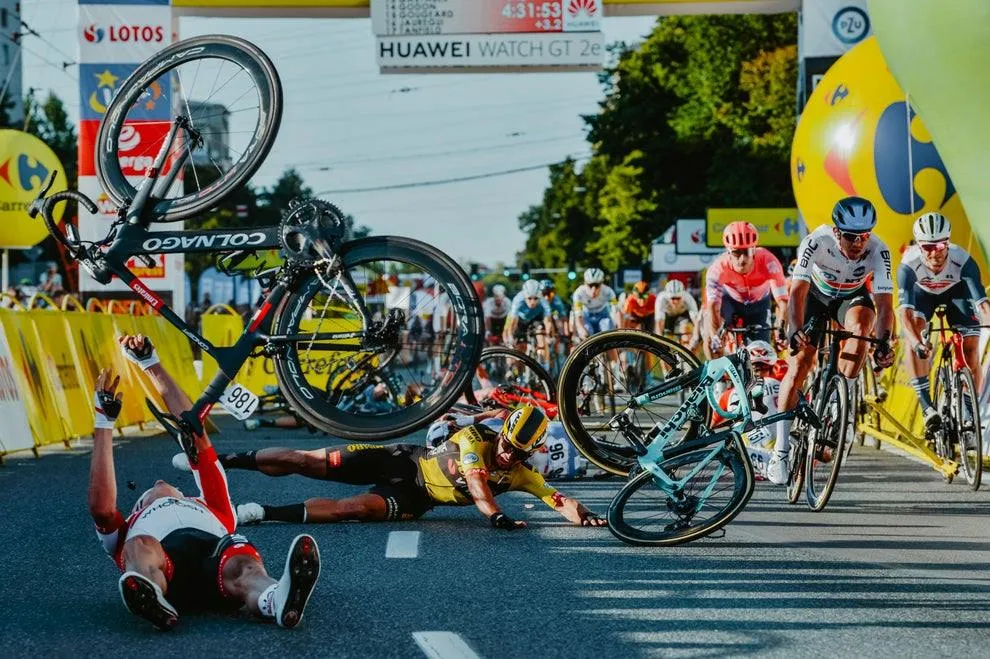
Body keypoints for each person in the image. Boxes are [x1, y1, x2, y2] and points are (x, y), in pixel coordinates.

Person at [89, 335, 321, 630]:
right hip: (163, 568)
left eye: (166, 486)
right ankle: (152, 595)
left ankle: (276, 599)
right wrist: (103, 423)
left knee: (243, 564)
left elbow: (193, 430)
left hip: (219, 567)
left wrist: (151, 363)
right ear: (140, 504)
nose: (160, 481)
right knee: (138, 546)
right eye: (151, 491)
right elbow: (101, 508)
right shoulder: (129, 528)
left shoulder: (212, 506)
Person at [177, 406, 606, 530]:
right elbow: (477, 487)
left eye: (519, 453)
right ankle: (222, 460)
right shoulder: (477, 440)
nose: (510, 456)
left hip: (416, 497)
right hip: (403, 459)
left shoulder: (522, 474)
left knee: (354, 509)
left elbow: (557, 498)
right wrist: (495, 516)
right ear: (502, 434)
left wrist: (584, 515)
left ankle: (260, 513)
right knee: (306, 462)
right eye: (509, 445)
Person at [767, 197, 896, 485]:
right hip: (815, 296)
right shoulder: (816, 241)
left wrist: (883, 342)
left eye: (864, 235)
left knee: (863, 326)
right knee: (800, 362)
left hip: (850, 297)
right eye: (851, 236)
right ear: (837, 232)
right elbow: (797, 292)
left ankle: (842, 402)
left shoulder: (879, 249)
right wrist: (794, 330)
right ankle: (781, 450)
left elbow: (885, 305)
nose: (858, 243)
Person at [897, 212, 990, 431]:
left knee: (970, 349)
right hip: (923, 295)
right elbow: (905, 315)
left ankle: (969, 411)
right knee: (915, 335)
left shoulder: (963, 260)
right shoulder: (908, 264)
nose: (935, 254)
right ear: (919, 246)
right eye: (928, 248)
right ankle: (927, 406)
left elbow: (983, 305)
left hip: (955, 294)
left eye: (940, 246)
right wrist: (918, 343)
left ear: (948, 243)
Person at [703, 222, 788, 359]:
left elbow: (783, 301)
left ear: (754, 249)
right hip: (730, 301)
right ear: (728, 251)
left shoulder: (769, 261)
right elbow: (713, 306)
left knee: (761, 353)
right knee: (710, 338)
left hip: (759, 304)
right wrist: (715, 336)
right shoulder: (717, 268)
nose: (742, 259)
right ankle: (717, 378)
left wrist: (782, 329)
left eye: (746, 252)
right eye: (736, 252)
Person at [504, 279, 554, 366]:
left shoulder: (543, 300)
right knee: (518, 347)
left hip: (536, 319)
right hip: (520, 320)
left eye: (535, 298)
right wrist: (511, 336)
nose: (532, 302)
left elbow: (548, 321)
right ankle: (514, 367)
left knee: (541, 335)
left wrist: (549, 335)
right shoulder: (518, 299)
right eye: (529, 298)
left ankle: (543, 363)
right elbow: (513, 322)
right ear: (525, 295)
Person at [572, 268, 619, 341]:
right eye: (590, 285)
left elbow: (616, 311)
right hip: (586, 316)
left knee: (607, 333)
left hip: (603, 316)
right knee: (585, 333)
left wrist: (619, 329)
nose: (593, 290)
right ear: (585, 283)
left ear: (602, 283)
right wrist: (582, 330)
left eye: (597, 286)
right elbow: (578, 315)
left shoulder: (608, 291)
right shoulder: (578, 293)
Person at [655, 279, 701, 349]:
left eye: (678, 298)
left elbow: (696, 321)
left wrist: (695, 338)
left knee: (686, 336)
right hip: (668, 317)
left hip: (683, 315)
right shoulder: (661, 298)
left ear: (683, 295)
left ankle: (686, 355)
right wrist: (660, 342)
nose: (675, 301)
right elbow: (659, 323)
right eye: (673, 298)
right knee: (666, 342)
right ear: (668, 296)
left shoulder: (688, 298)